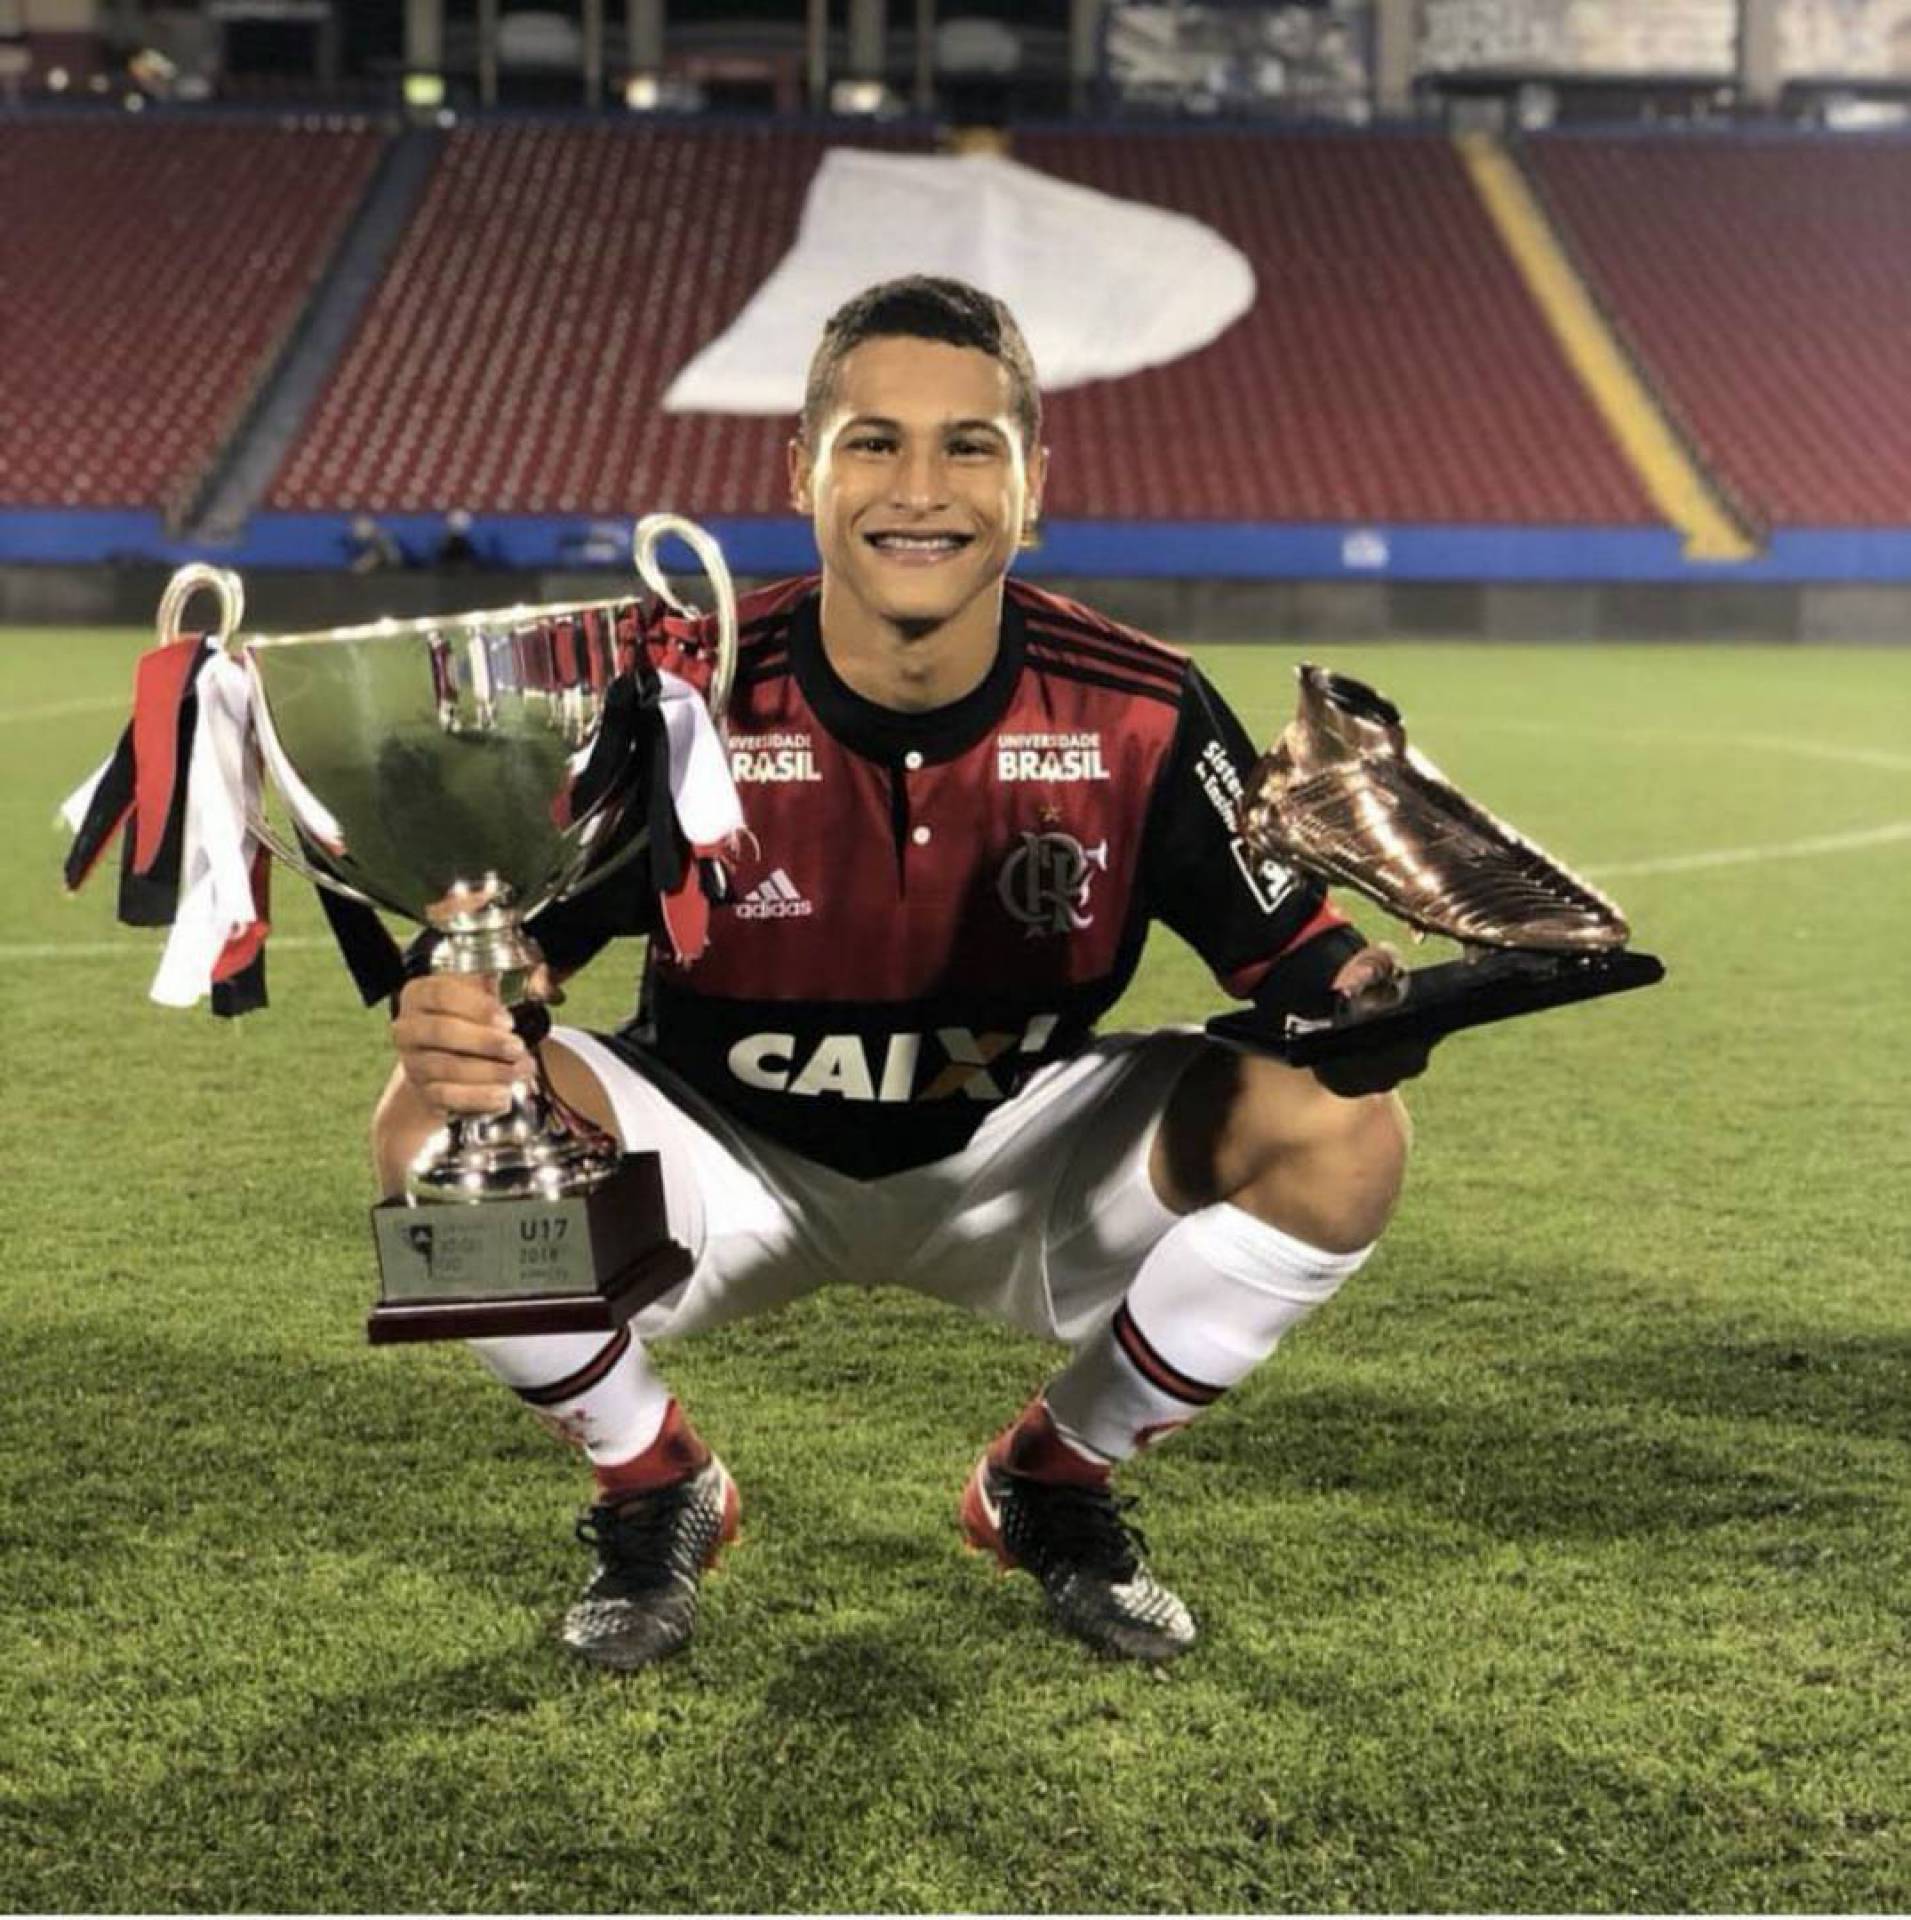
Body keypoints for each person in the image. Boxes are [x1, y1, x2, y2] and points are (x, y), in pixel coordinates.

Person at [376, 276, 1420, 1670]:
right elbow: (518, 967)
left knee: (1343, 1129)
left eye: (968, 445)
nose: (918, 487)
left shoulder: (1142, 704)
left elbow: (1300, 962)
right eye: (872, 441)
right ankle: (655, 1481)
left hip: (1018, 1163)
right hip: (725, 1166)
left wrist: (1375, 1002)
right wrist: (458, 1013)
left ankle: (1054, 1479)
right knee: (431, 1130)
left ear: (1033, 485)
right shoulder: (680, 691)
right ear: (800, 471)